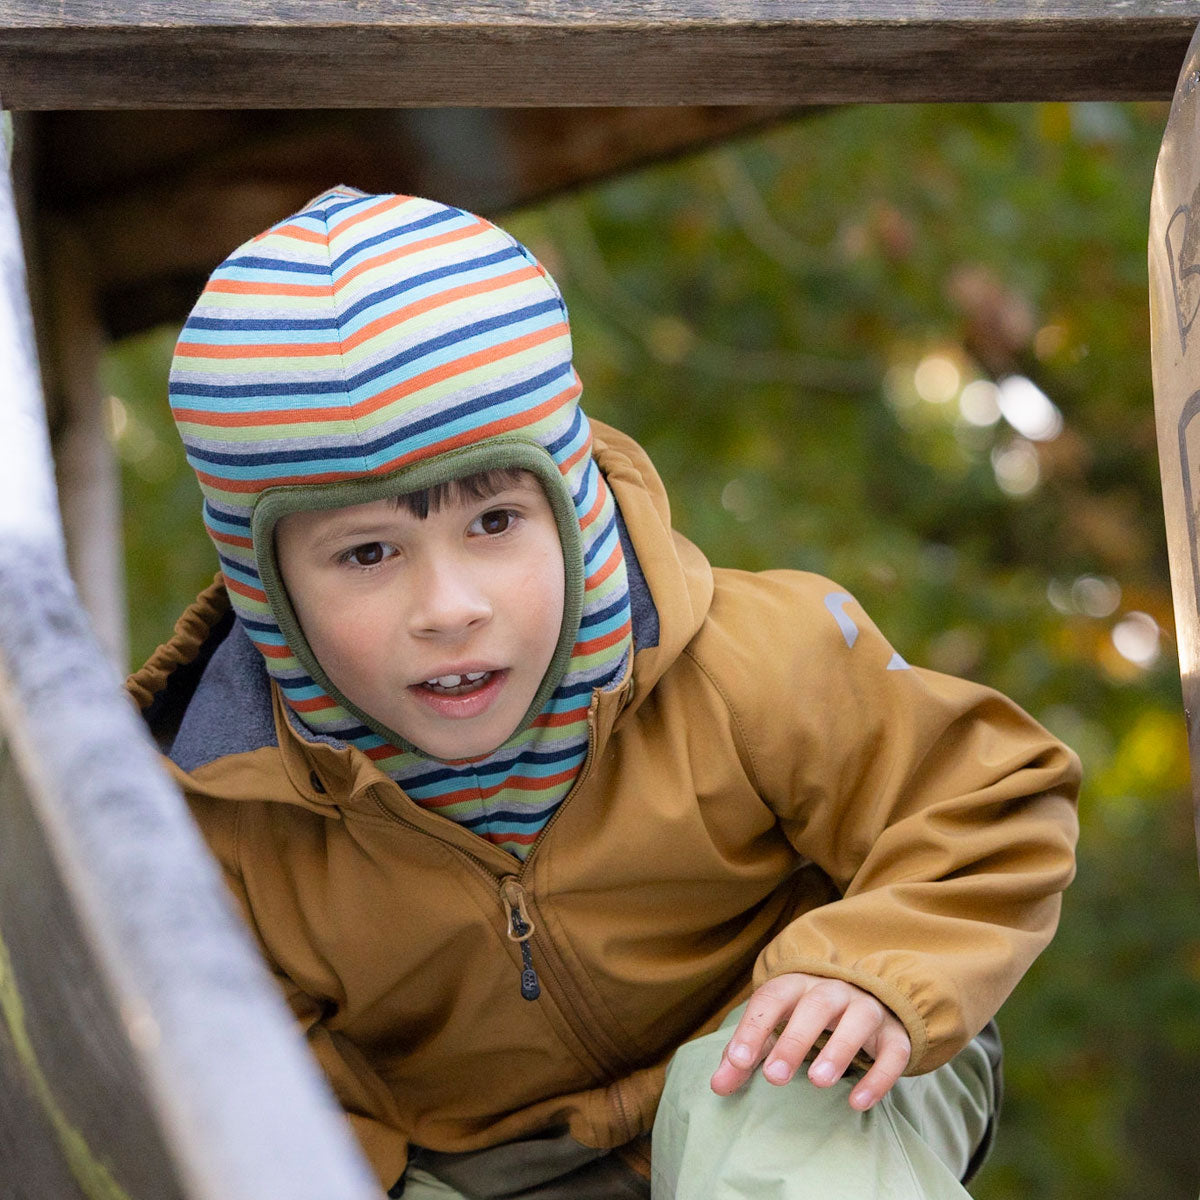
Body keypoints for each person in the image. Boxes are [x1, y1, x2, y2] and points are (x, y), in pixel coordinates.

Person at [128, 186, 1081, 1199]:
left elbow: (983, 799)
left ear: (572, 507)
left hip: (803, 1049)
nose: (448, 606)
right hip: (492, 1166)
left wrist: (877, 969)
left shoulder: (747, 664)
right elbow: (270, 1104)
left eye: (494, 523)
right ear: (267, 594)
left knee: (774, 1148)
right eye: (368, 552)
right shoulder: (230, 827)